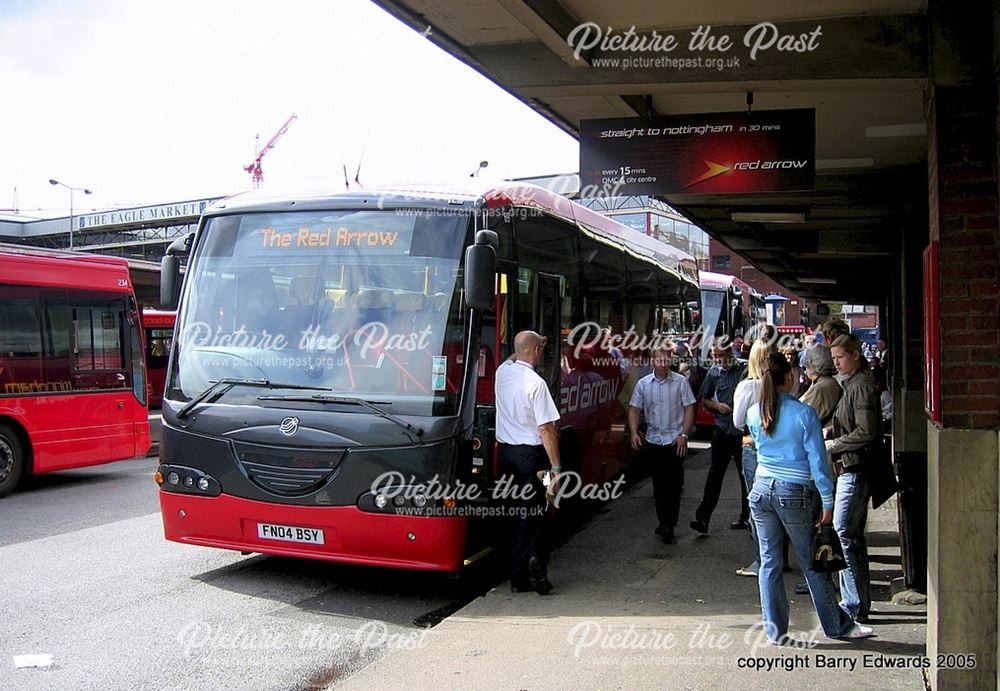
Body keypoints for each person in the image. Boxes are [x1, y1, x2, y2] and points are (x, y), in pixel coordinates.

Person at [746, 353, 874, 643]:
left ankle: (775, 632)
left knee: (769, 564)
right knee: (813, 562)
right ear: (789, 378)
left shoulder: (754, 413)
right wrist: (828, 501)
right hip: (795, 492)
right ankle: (837, 626)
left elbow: (757, 451)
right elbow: (818, 463)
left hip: (762, 489)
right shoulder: (804, 414)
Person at [495, 330, 562, 595]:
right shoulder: (536, 383)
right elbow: (546, 429)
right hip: (537, 460)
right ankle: (530, 566)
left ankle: (516, 571)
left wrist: (532, 343)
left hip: (508, 456)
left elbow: (517, 352)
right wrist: (556, 468)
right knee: (541, 507)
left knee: (513, 514)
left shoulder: (502, 372)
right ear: (536, 351)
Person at [827, 333, 879, 622]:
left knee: (843, 532)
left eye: (841, 357)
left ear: (856, 355)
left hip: (855, 467)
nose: (836, 363)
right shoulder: (853, 384)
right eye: (834, 359)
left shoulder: (860, 386)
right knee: (853, 536)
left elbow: (865, 431)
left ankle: (854, 603)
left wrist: (834, 444)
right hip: (851, 466)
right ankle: (859, 602)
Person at [628, 345, 697, 544]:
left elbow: (689, 408)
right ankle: (663, 522)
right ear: (652, 362)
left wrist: (684, 434)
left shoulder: (680, 382)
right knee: (659, 485)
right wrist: (634, 433)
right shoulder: (643, 384)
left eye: (666, 360)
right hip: (654, 440)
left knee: (673, 485)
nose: (663, 364)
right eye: (659, 360)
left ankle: (670, 524)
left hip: (675, 440)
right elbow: (634, 409)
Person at [691, 344, 748, 534]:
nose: (717, 359)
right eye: (714, 355)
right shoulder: (714, 373)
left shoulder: (744, 369)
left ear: (730, 353)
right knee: (715, 475)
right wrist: (716, 406)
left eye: (720, 355)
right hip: (722, 429)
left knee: (745, 476)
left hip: (741, 432)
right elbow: (704, 398)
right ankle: (703, 519)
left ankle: (746, 518)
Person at [731, 339, 775, 576]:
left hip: (752, 447)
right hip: (777, 447)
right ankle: (779, 558)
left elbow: (738, 421)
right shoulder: (780, 386)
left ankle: (761, 561)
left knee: (757, 507)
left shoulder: (747, 387)